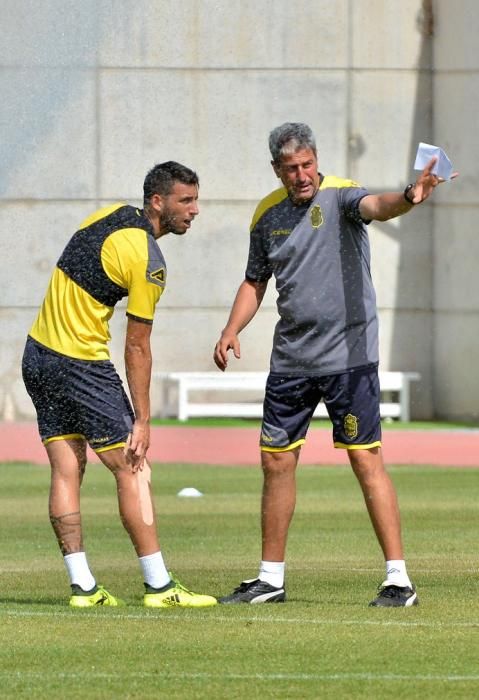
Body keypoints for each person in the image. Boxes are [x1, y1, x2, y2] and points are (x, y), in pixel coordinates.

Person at [214, 123, 457, 607]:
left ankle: (398, 579)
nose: (301, 175)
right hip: (291, 360)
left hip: (349, 358)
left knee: (365, 459)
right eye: (291, 169)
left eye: (306, 165)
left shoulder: (343, 196)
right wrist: (230, 328)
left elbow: (379, 207)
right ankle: (270, 578)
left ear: (316, 159)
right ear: (277, 170)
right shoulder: (266, 216)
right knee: (274, 462)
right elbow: (254, 282)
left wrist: (411, 195)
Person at [23, 161, 217, 609]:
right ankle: (159, 586)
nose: (195, 210)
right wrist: (144, 420)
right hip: (81, 363)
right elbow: (137, 347)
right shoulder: (149, 260)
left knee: (66, 468)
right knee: (133, 466)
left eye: (195, 200)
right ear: (157, 201)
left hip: (37, 355)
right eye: (185, 200)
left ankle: (83, 589)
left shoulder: (104, 215)